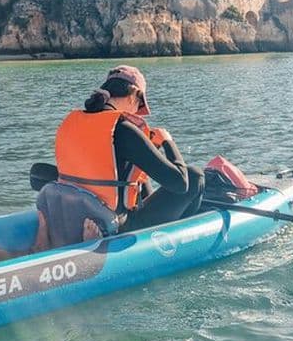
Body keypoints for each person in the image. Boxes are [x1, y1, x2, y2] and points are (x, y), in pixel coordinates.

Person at [34, 65, 204, 250]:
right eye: (139, 105)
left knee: (138, 181)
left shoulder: (72, 120)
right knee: (196, 176)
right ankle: (181, 242)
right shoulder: (124, 129)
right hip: (114, 224)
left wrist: (145, 152)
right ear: (134, 95)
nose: (136, 111)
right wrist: (167, 142)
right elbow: (181, 183)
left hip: (72, 213)